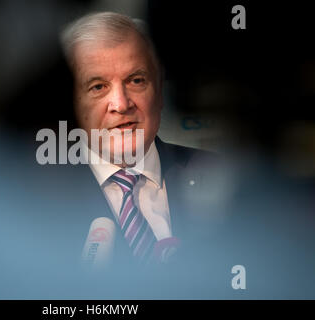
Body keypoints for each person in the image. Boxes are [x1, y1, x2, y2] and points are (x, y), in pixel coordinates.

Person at [56, 12, 232, 266]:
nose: (121, 104)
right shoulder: (37, 198)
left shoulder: (220, 176)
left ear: (160, 91)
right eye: (98, 87)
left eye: (136, 80)